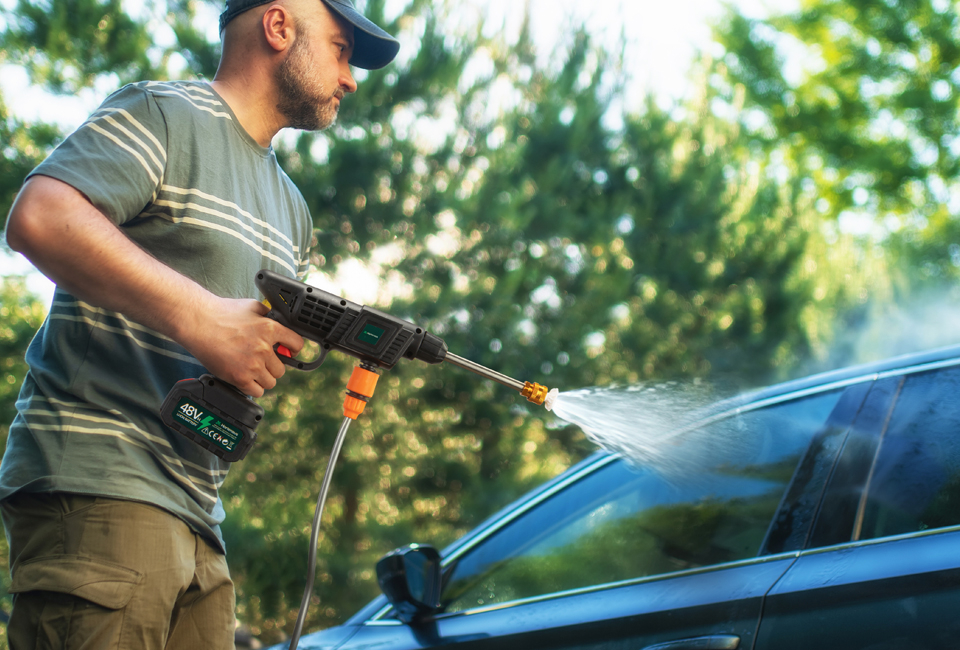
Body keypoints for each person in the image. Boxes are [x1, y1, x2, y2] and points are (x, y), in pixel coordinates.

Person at [0, 0, 398, 647]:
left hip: (200, 515)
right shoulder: (164, 115)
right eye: (341, 49)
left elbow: (240, 349)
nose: (350, 78)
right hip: (103, 482)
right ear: (278, 27)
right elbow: (39, 217)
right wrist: (204, 318)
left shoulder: (291, 209)